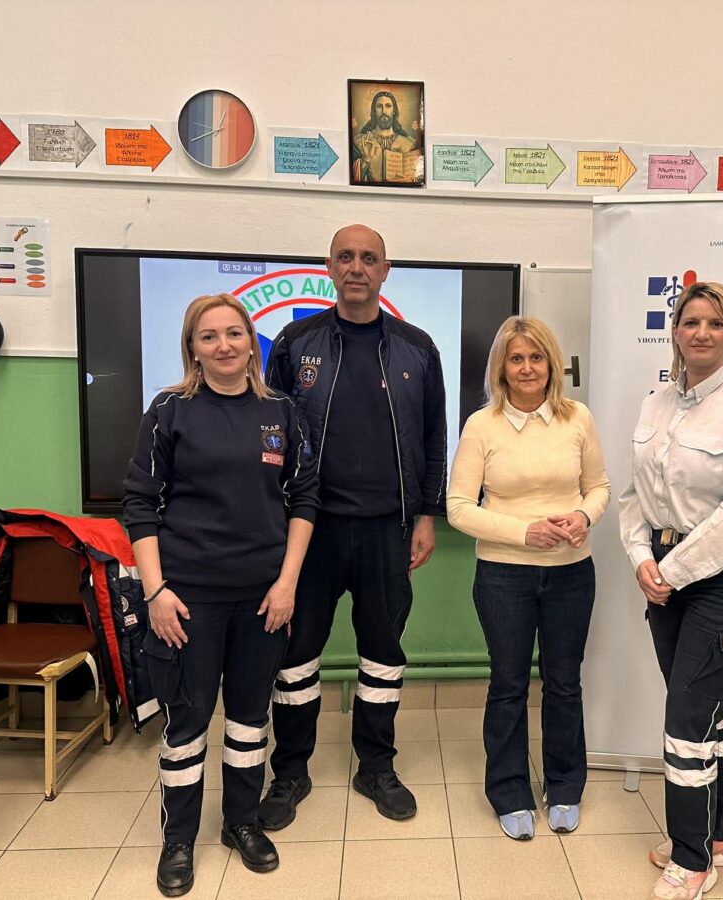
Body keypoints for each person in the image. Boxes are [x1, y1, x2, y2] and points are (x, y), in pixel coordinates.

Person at [122, 293, 318, 897]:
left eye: (234, 333)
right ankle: (179, 839)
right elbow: (139, 504)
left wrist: (287, 584)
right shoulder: (169, 412)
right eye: (209, 336)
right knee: (187, 722)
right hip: (186, 601)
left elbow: (304, 500)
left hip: (263, 600)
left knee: (249, 719)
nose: (224, 345)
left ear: (250, 341)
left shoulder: (282, 411)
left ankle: (240, 823)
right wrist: (155, 592)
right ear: (193, 348)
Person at [260, 224, 447, 827]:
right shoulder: (295, 342)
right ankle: (290, 772)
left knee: (383, 654)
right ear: (329, 267)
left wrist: (427, 514)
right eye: (346, 257)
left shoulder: (418, 348)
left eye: (369, 258)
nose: (357, 267)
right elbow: (269, 433)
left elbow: (433, 437)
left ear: (386, 270)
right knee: (295, 656)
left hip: (388, 531)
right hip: (310, 532)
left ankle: (377, 766)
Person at [619, 282, 723, 900]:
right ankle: (720, 838)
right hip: (665, 571)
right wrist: (643, 558)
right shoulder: (656, 402)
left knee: (686, 718)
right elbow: (635, 496)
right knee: (704, 712)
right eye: (691, 322)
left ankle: (692, 859)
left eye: (715, 323)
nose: (702, 333)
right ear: (676, 332)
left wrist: (672, 571)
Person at [448, 316, 610, 840]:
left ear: (551, 363)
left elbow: (599, 487)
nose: (526, 368)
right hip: (503, 577)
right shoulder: (482, 426)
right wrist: (525, 533)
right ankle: (509, 791)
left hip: (570, 574)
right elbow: (458, 508)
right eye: (515, 358)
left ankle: (564, 788)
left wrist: (583, 516)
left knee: (564, 684)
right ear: (501, 367)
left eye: (535, 357)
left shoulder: (577, 418)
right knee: (509, 684)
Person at [352, 90, 422, 183]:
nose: (384, 111)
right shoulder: (359, 141)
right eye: (379, 106)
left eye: (388, 106)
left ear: (394, 111)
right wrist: (365, 160)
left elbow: (418, 176)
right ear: (374, 111)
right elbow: (353, 178)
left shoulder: (409, 144)